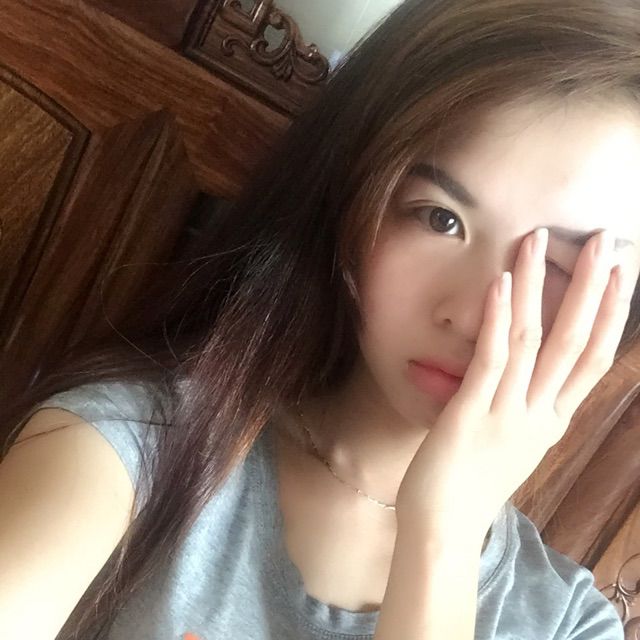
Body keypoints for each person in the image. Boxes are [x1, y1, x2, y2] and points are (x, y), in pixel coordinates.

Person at [1, 0, 639, 638]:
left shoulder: (569, 624)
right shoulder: (128, 447)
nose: (472, 318)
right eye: (439, 218)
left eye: (560, 265)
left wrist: (446, 534)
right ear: (350, 199)